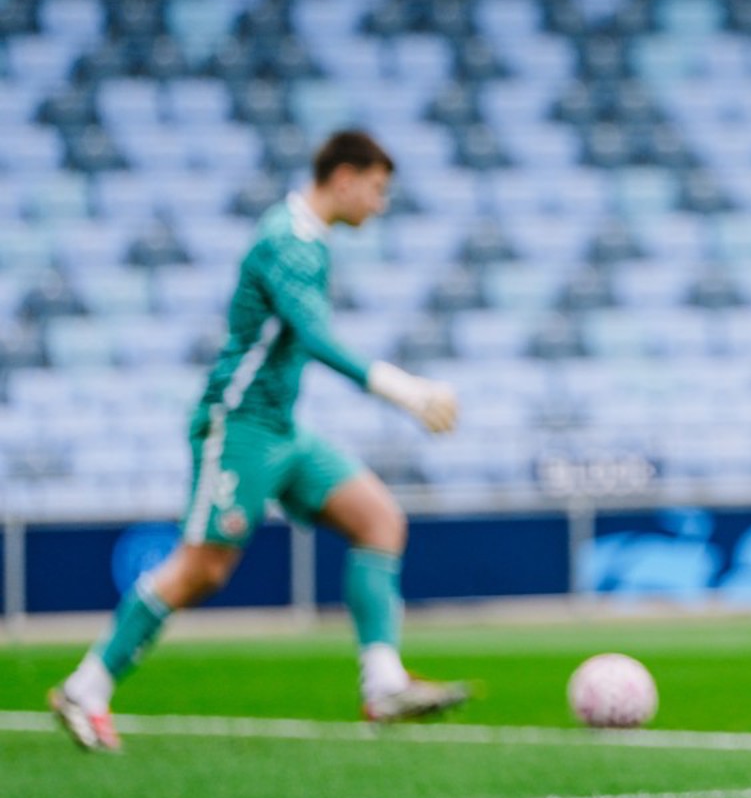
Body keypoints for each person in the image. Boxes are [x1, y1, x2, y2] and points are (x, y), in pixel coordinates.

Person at [49, 130, 469, 752]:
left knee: (380, 519)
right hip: (239, 424)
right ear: (345, 178)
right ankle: (87, 686)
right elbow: (316, 335)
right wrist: (406, 390)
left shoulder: (309, 240)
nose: (381, 205)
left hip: (283, 427)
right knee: (203, 569)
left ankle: (383, 684)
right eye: (377, 190)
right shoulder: (287, 240)